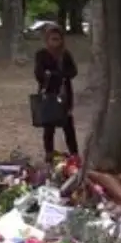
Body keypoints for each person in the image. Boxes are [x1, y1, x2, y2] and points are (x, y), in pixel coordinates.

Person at [33, 26, 80, 163]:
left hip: (64, 95)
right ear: (47, 40)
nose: (55, 42)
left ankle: (74, 155)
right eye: (52, 39)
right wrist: (53, 75)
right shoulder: (41, 54)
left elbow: (73, 72)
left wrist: (58, 74)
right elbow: (39, 74)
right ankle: (49, 154)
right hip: (49, 95)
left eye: (58, 39)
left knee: (68, 126)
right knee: (49, 127)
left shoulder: (65, 55)